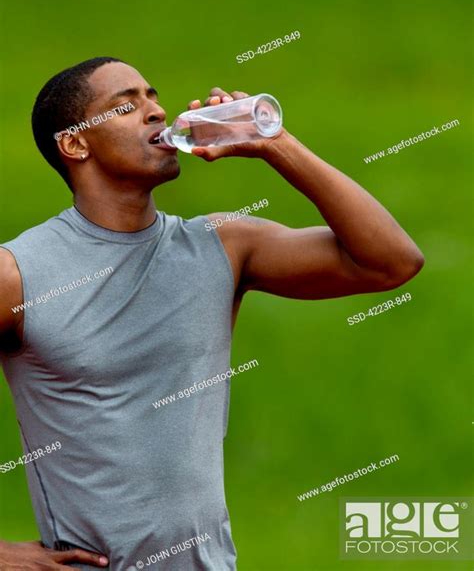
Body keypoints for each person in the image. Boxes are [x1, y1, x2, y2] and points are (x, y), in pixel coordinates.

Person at [0, 57, 424, 570]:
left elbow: (391, 263)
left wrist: (275, 144)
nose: (156, 112)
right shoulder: (19, 274)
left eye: (154, 98)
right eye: (127, 105)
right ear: (75, 143)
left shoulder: (222, 246)